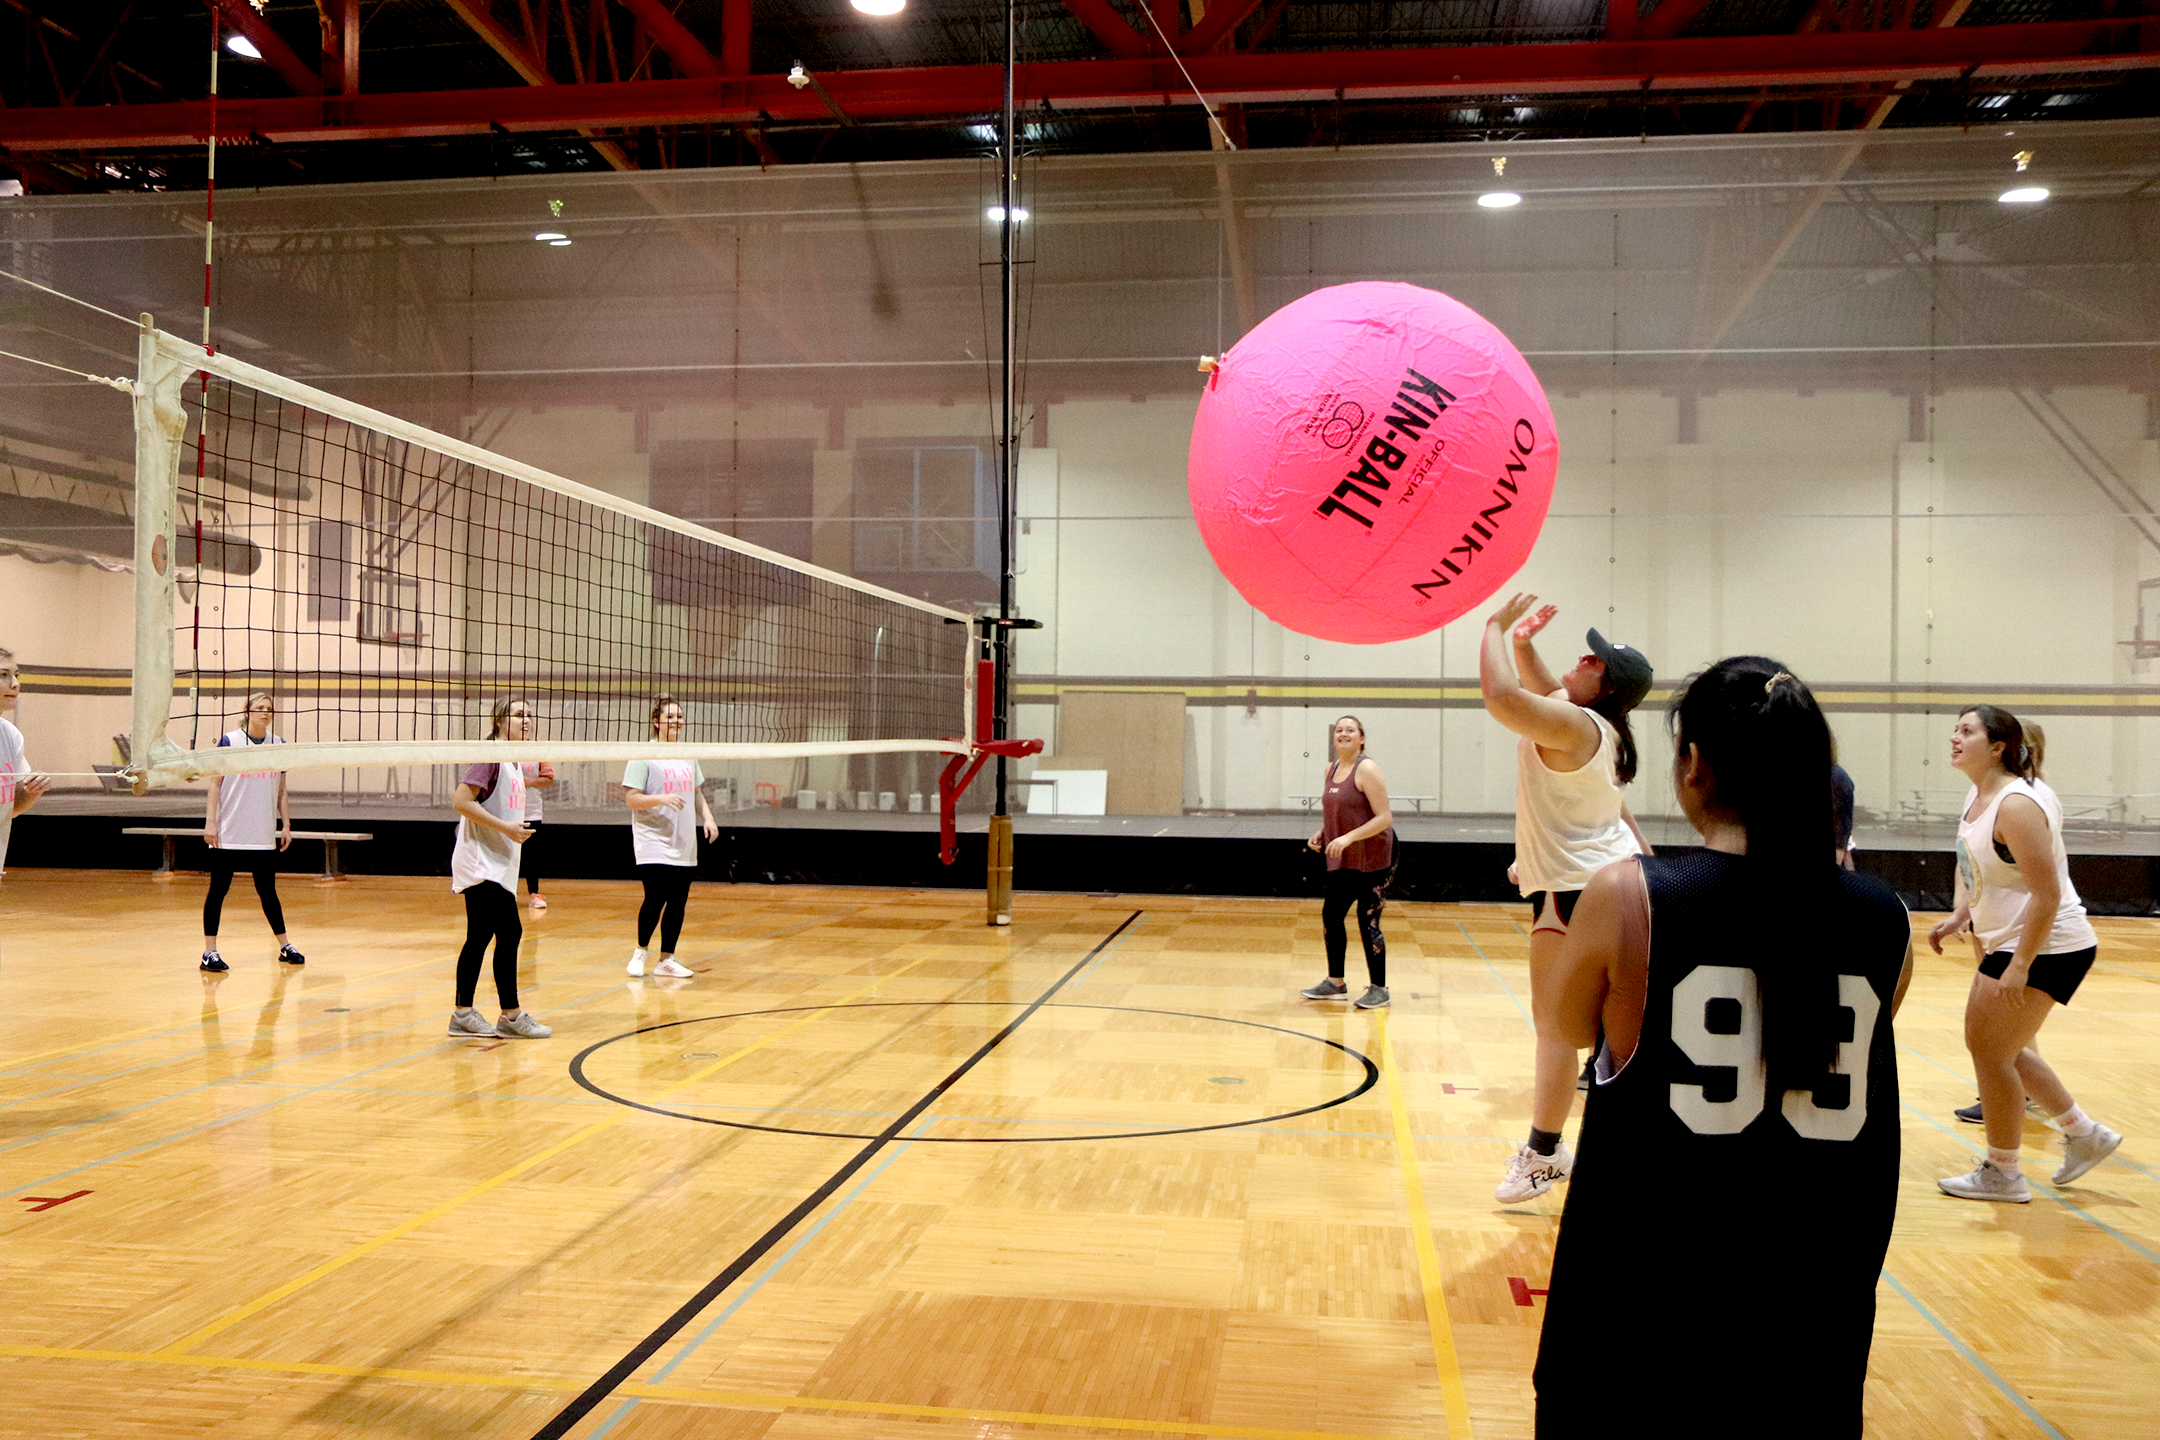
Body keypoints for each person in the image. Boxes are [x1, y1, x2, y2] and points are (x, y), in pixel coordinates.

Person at [1534, 657, 1914, 1438]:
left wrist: (1551, 916)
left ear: (1694, 764)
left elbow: (1569, 1029)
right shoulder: (1888, 918)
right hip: (1812, 1324)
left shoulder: (1632, 895)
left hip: (1641, 1330)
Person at [1480, 594, 1654, 1204]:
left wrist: (1494, 629)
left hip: (1576, 890)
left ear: (1605, 685)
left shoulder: (1577, 726)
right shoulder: (1599, 727)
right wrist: (1525, 646)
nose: (1582, 658)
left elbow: (1502, 697)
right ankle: (1616, 1154)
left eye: (1595, 658)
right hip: (1613, 881)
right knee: (1607, 1031)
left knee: (1556, 1029)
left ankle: (1545, 1153)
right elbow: (1548, 690)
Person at [1931, 705, 2121, 1200]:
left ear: (1998, 747)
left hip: (2046, 945)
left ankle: (2005, 1173)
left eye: (1967, 731)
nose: (1954, 737)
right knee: (2000, 1048)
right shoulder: (1979, 794)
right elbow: (1972, 861)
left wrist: (2020, 966)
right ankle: (2083, 1133)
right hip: (2009, 939)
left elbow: (2048, 894)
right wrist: (1959, 913)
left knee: (1989, 1051)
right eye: (1956, 729)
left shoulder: (2018, 804)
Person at [447, 698, 550, 1039]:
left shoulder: (515, 761)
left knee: (479, 936)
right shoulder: (491, 755)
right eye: (519, 714)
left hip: (496, 861)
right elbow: (461, 801)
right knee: (510, 931)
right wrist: (506, 828)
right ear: (499, 720)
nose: (527, 720)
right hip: (479, 862)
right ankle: (511, 1015)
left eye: (529, 714)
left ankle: (462, 1014)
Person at [198, 692, 303, 973]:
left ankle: (285, 945)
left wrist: (286, 824)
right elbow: (214, 784)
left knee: (268, 892)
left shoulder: (278, 744)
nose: (265, 712)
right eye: (260, 708)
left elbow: (282, 790)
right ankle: (210, 952)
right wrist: (210, 822)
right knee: (218, 891)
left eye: (269, 709)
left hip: (262, 833)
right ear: (247, 712)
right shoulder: (230, 741)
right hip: (229, 831)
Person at [1299, 715, 1396, 1010]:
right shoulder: (1331, 769)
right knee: (1331, 915)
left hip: (1375, 857)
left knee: (1367, 921)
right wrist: (1323, 832)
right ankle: (1335, 983)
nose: (1343, 734)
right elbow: (1337, 811)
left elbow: (1385, 818)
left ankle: (1380, 989)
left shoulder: (1366, 768)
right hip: (1345, 857)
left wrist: (1348, 838)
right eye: (1339, 730)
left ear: (1361, 738)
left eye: (1350, 730)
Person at [623, 695, 717, 979]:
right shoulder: (644, 755)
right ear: (656, 722)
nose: (677, 721)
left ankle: (666, 959)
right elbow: (631, 799)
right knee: (655, 897)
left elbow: (697, 792)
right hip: (653, 838)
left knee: (678, 900)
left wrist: (709, 817)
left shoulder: (687, 753)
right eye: (670, 717)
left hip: (684, 839)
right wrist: (661, 798)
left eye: (679, 716)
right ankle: (640, 952)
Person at [0, 646, 51, 882]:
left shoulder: (10, 735)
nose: (15, 684)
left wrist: (32, 792)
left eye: (16, 675)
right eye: (3, 675)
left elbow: (13, 806)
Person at [519, 752, 555, 911]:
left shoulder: (537, 750)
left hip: (531, 811)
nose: (525, 725)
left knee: (530, 855)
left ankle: (534, 893)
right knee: (505, 854)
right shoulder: (500, 748)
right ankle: (503, 893)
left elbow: (548, 780)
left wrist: (529, 781)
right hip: (506, 809)